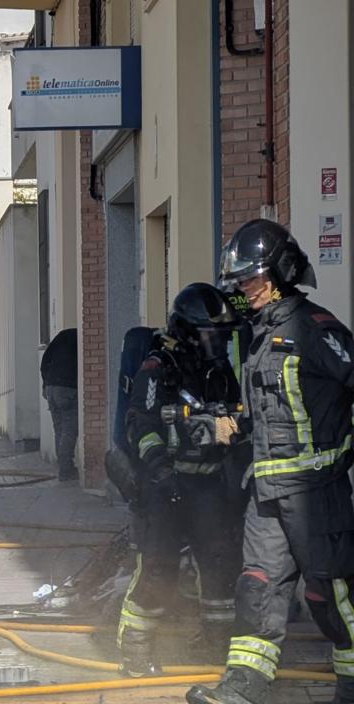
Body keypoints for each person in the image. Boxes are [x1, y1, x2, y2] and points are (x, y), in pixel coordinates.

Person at [187, 219, 354, 704]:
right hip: (266, 489)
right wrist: (228, 426)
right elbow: (264, 412)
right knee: (257, 585)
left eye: (251, 279)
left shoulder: (317, 330)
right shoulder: (259, 337)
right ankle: (245, 690)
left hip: (315, 491)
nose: (243, 289)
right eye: (239, 281)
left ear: (280, 272)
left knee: (329, 594)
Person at [117, 283, 245, 677]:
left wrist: (228, 437)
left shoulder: (221, 373)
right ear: (188, 332)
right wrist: (159, 469)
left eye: (223, 336)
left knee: (219, 567)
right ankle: (135, 650)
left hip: (208, 486)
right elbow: (140, 422)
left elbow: (236, 425)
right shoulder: (160, 368)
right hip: (165, 487)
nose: (219, 343)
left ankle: (214, 645)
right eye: (212, 334)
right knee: (158, 568)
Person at [40, 327, 79, 481]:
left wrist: (46, 384)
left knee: (59, 430)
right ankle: (66, 469)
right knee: (69, 429)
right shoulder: (79, 340)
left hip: (51, 388)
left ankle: (63, 466)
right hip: (67, 388)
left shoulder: (60, 338)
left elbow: (44, 363)